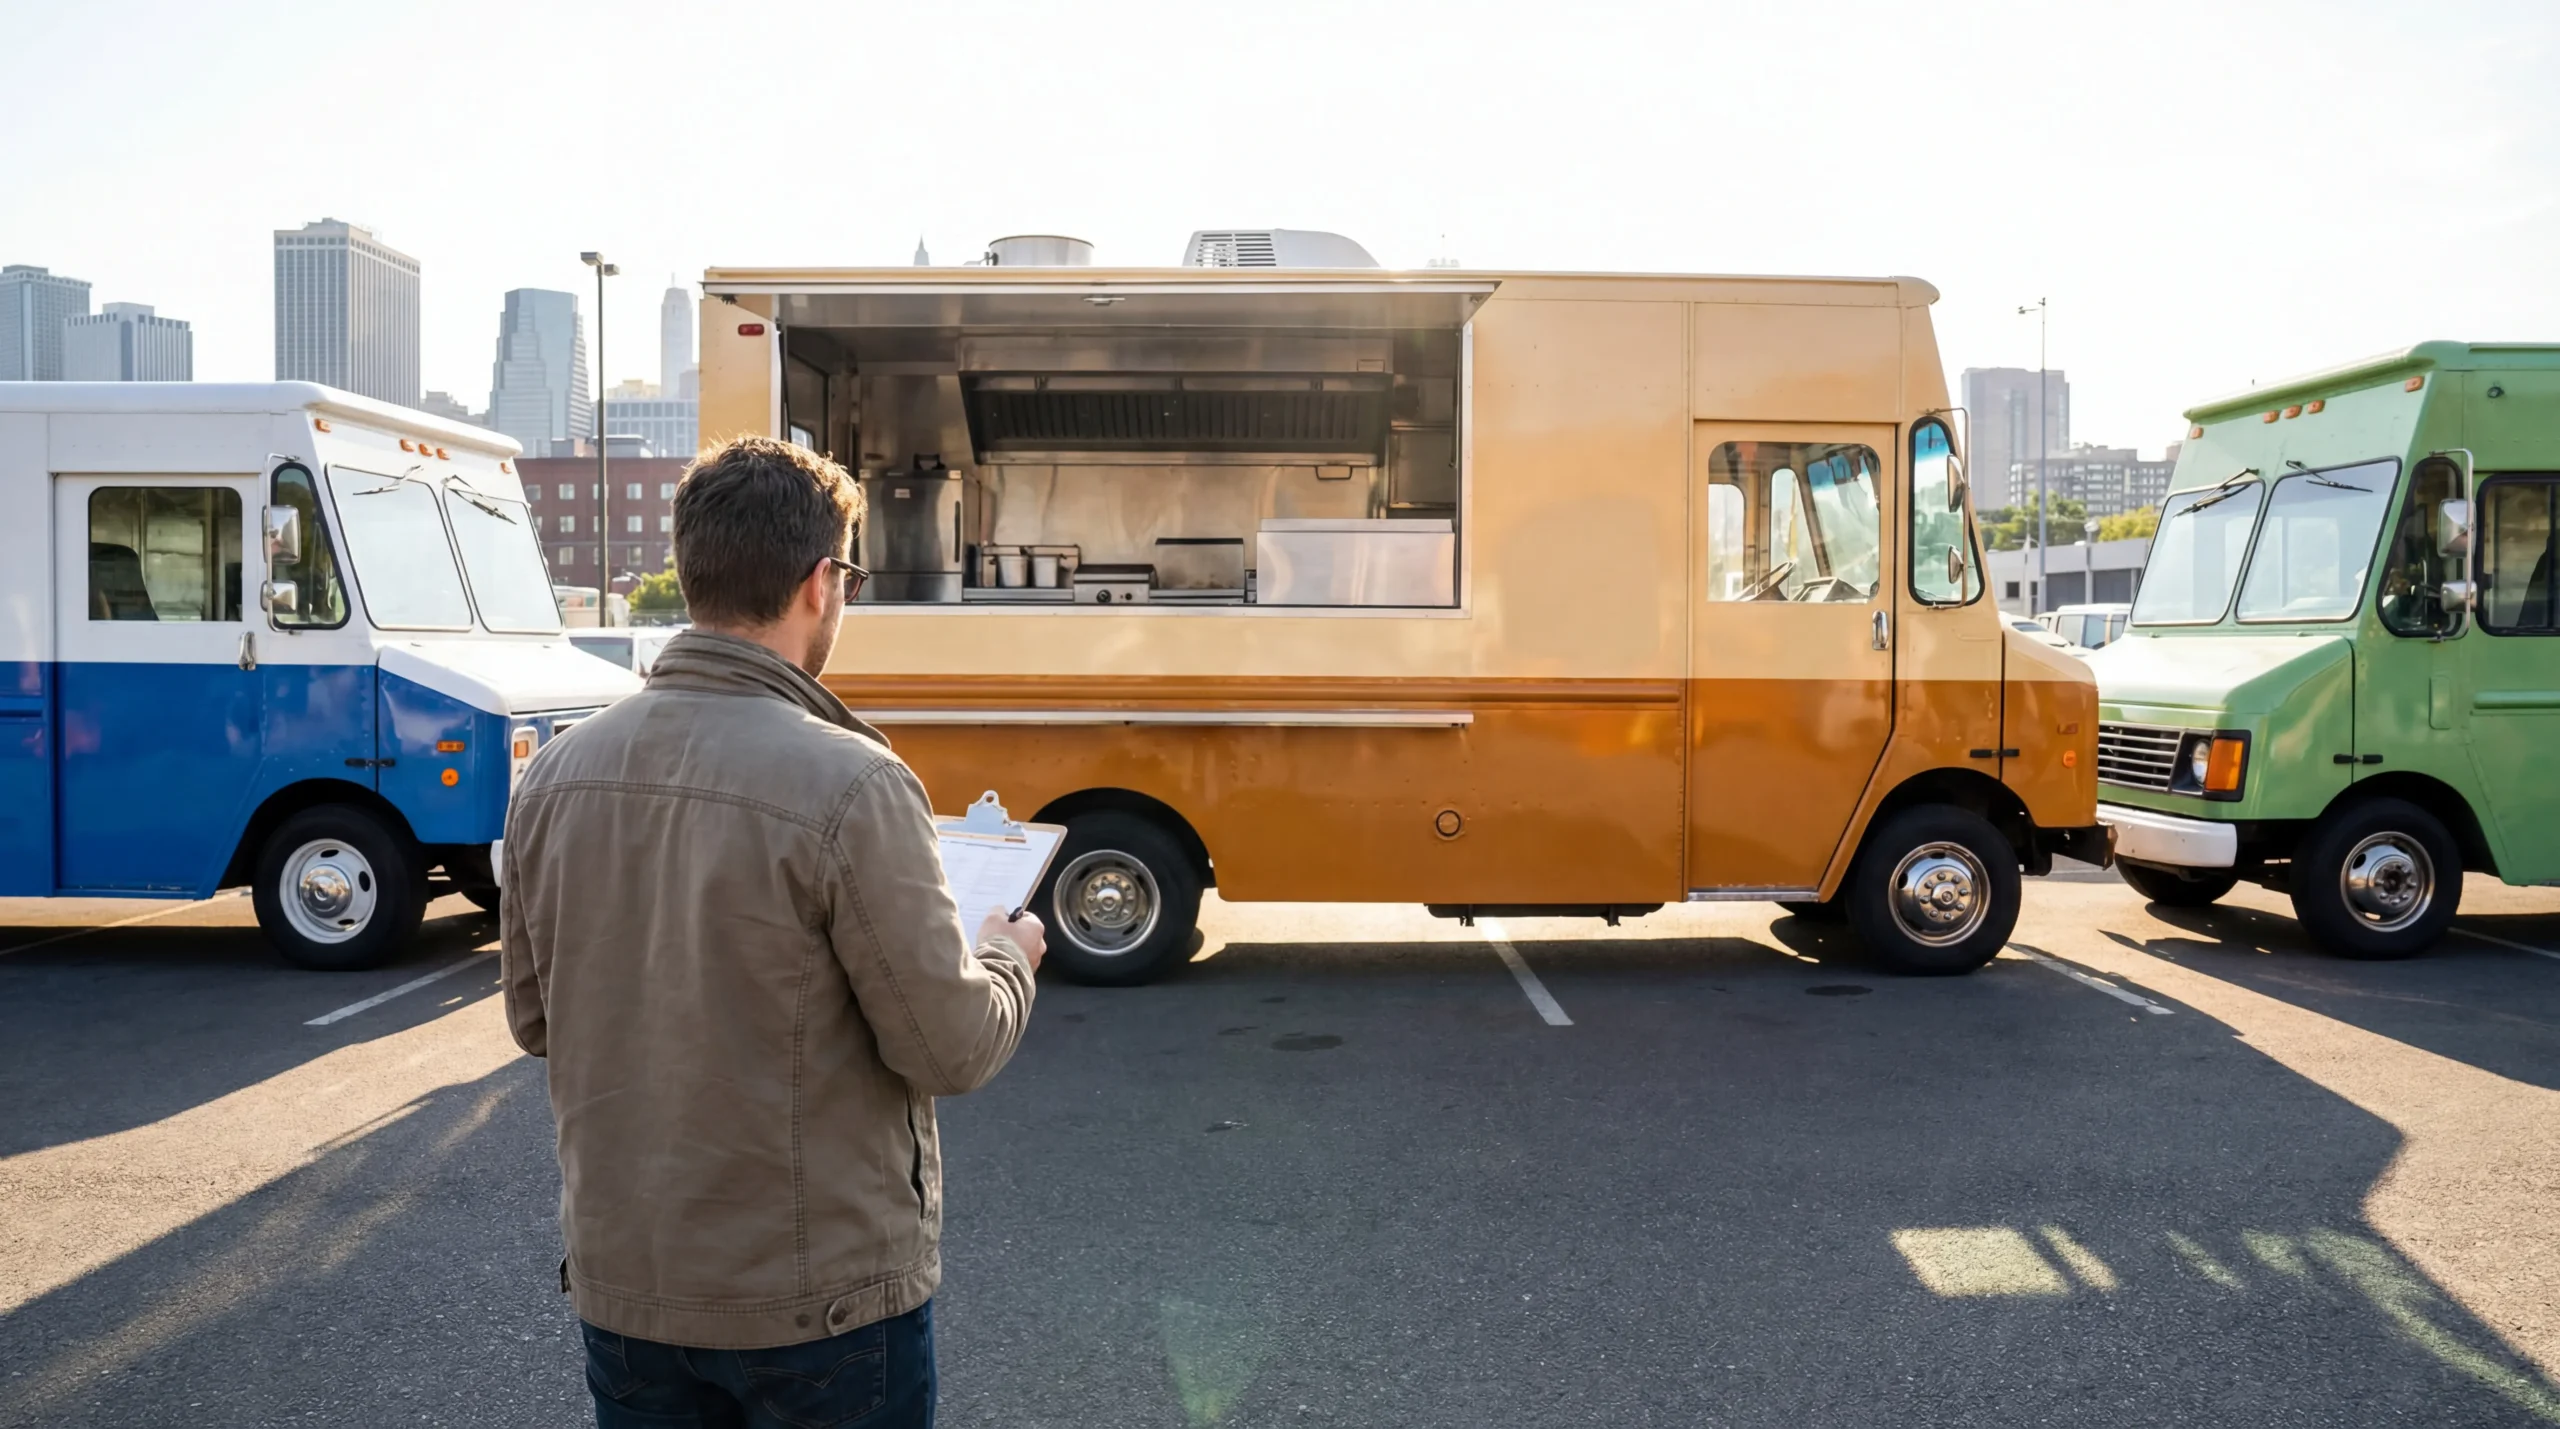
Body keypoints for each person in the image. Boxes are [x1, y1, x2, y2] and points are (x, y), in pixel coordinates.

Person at [501, 435, 1045, 1428]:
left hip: (629, 1291)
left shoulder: (555, 772)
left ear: (694, 569)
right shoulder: (853, 781)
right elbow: (949, 1044)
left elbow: (535, 1019)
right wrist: (1007, 954)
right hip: (819, 1306)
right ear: (818, 583)